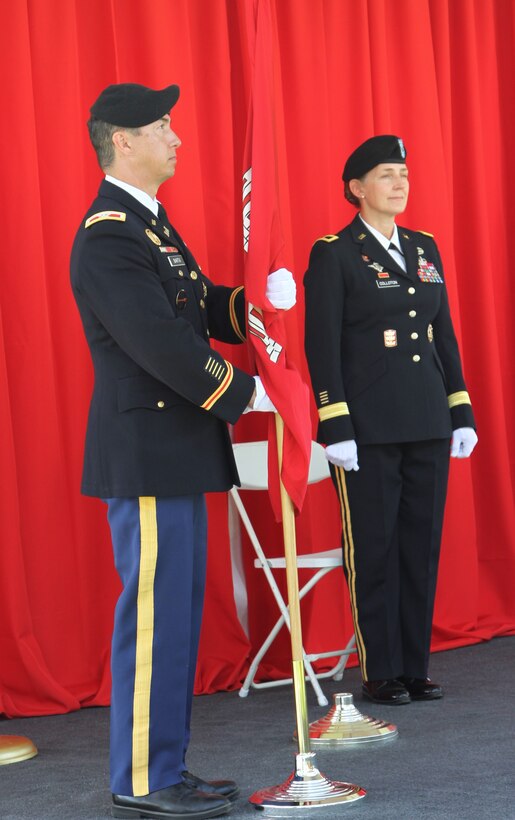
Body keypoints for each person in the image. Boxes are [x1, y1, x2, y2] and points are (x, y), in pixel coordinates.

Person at [70, 82, 296, 820]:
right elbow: (160, 343)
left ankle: (163, 764)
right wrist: (244, 393)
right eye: (161, 127)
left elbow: (195, 303)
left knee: (176, 619)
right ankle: (140, 777)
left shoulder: (152, 226)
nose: (175, 137)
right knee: (153, 618)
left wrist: (252, 301)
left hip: (174, 447)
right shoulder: (109, 232)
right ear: (122, 140)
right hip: (146, 448)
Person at [303, 135, 477, 706]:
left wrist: (461, 409)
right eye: (386, 174)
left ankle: (414, 666)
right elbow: (322, 345)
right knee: (374, 549)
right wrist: (335, 424)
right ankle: (380, 670)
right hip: (369, 429)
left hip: (427, 418)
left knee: (419, 547)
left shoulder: (424, 247)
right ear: (356, 187)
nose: (400, 183)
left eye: (404, 173)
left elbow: (442, 336)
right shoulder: (335, 252)